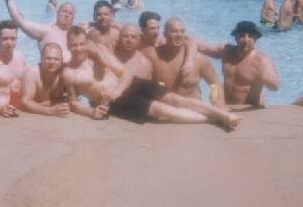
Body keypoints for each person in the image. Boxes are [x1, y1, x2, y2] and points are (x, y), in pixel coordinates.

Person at [62, 26, 240, 129]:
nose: (78, 49)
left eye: (81, 44)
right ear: (68, 46)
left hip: (129, 84)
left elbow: (125, 73)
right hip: (114, 102)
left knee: (175, 99)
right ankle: (213, 119)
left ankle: (221, 114)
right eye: (74, 45)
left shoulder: (100, 53)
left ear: (86, 43)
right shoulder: (69, 73)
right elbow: (74, 103)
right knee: (161, 110)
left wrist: (117, 89)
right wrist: (91, 112)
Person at [142, 17, 225, 107]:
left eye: (182, 31)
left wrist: (216, 101)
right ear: (164, 34)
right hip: (166, 110)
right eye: (174, 31)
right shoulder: (153, 56)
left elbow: (214, 84)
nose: (179, 35)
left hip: (194, 110)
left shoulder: (198, 59)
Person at [202, 21, 279, 107]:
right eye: (242, 36)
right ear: (235, 37)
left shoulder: (262, 60)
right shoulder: (226, 51)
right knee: (214, 88)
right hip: (226, 106)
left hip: (249, 108)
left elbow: (275, 87)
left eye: (250, 36)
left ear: (255, 39)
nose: (245, 40)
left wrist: (263, 77)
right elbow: (201, 47)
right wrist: (214, 95)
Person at [4, 0, 75, 64]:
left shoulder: (77, 34)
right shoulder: (46, 30)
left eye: (70, 13)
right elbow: (21, 22)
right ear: (57, 13)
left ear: (73, 17)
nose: (67, 15)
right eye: (64, 11)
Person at [20, 43, 71, 117]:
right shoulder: (32, 73)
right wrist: (49, 111)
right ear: (41, 58)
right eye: (48, 58)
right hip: (35, 118)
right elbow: (24, 102)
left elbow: (73, 99)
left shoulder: (66, 73)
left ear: (62, 60)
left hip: (41, 110)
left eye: (56, 59)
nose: (52, 62)